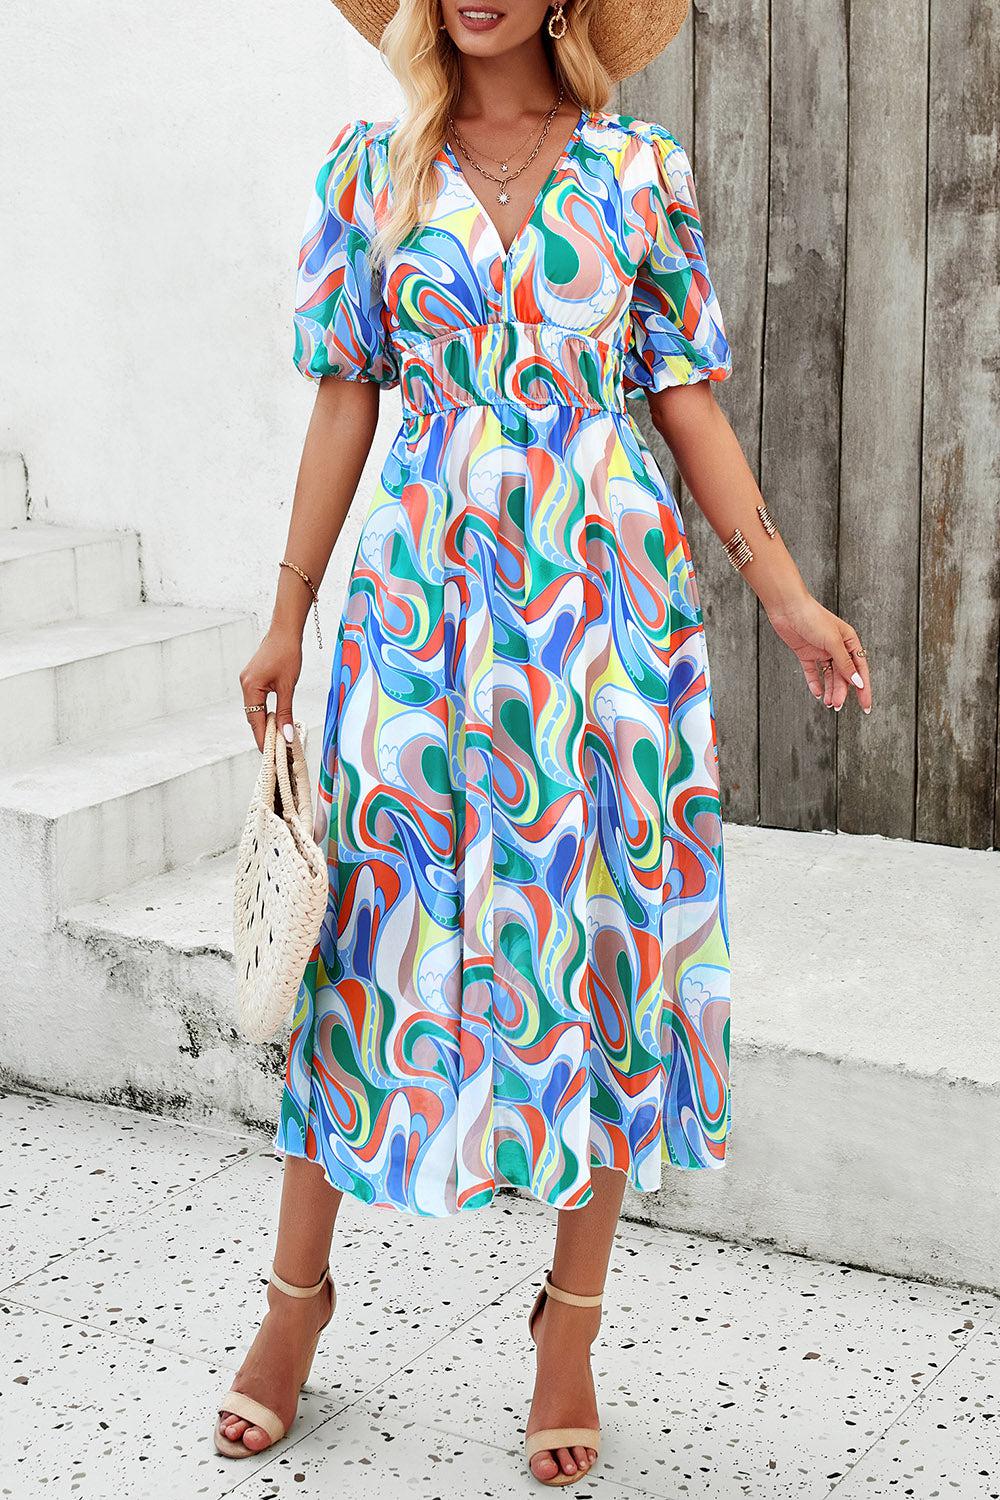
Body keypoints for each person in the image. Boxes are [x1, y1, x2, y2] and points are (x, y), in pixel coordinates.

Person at [217, 0, 873, 1486]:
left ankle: (568, 1328)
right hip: (414, 617)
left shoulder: (639, 172)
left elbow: (682, 395)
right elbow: (346, 394)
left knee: (604, 944)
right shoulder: (369, 168)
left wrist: (784, 592)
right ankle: (293, 1307)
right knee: (360, 953)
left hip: (605, 618)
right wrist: (287, 618)